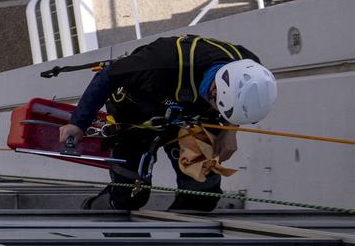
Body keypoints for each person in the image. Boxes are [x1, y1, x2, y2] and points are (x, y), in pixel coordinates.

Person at [57, 35, 277, 211]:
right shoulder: (159, 64)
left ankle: (184, 242)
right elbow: (107, 77)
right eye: (219, 106)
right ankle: (95, 208)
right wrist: (78, 124)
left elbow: (237, 104)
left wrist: (230, 131)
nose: (220, 112)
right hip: (138, 116)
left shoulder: (251, 70)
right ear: (214, 90)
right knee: (129, 196)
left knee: (202, 196)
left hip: (189, 119)